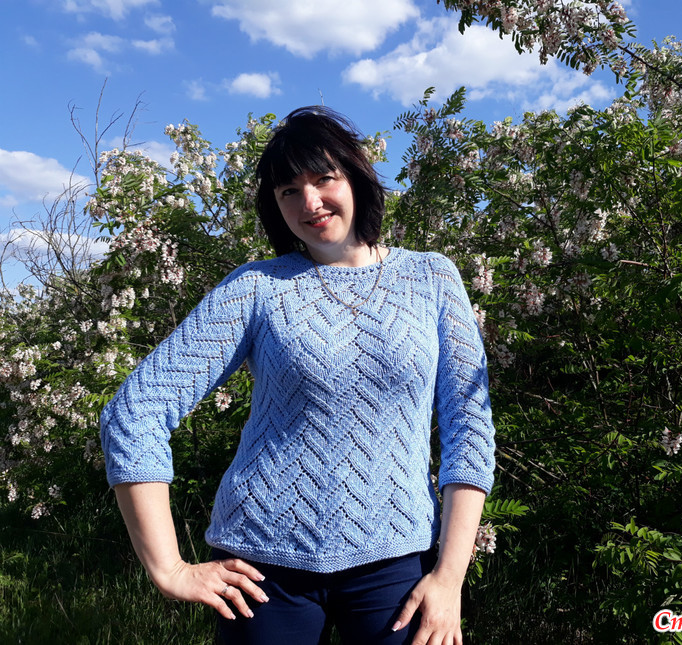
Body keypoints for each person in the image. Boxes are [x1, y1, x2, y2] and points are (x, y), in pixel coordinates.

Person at [100, 106, 496, 645]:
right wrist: (168, 567)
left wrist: (449, 578)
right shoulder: (256, 288)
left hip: (398, 561)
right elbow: (134, 412)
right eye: (289, 190)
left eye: (323, 179)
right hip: (263, 570)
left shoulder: (432, 278)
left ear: (355, 177)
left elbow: (469, 428)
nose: (309, 202)